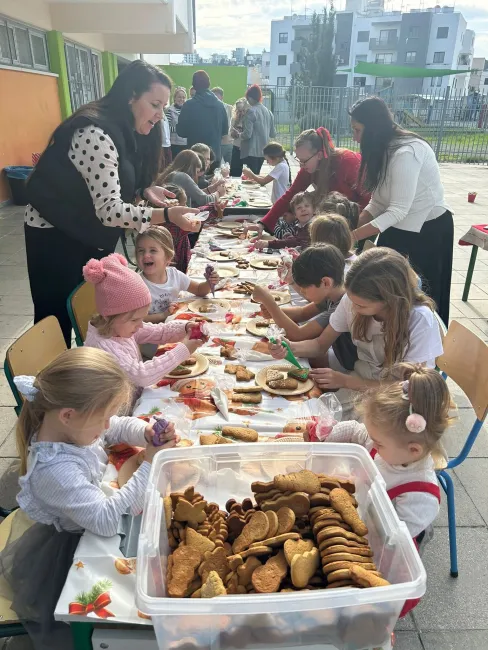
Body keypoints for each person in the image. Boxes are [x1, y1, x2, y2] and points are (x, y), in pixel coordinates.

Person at [0, 347, 177, 648]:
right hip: (67, 549)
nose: (108, 424)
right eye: (103, 417)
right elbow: (106, 521)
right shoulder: (55, 471)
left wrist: (145, 432)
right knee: (124, 606)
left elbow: (115, 428)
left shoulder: (71, 427)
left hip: (87, 521)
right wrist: (149, 462)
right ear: (68, 415)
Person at [23, 60, 199, 346]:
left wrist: (143, 190)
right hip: (53, 233)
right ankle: (55, 371)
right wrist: (167, 215)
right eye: (155, 104)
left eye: (163, 107)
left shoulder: (126, 131)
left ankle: (92, 359)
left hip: (83, 228)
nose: (160, 115)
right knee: (54, 316)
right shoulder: (95, 134)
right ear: (131, 96)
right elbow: (109, 210)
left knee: (92, 309)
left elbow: (112, 185)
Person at [269, 248, 444, 393]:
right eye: (352, 301)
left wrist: (346, 381)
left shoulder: (419, 320)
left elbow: (409, 388)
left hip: (394, 401)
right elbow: (320, 344)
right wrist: (290, 347)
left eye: (361, 305)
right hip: (359, 381)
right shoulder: (350, 300)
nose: (353, 308)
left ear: (389, 299)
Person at [348, 96, 453, 326]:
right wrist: (350, 230)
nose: (355, 137)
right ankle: (388, 334)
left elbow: (397, 210)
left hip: (428, 231)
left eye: (357, 130)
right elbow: (377, 203)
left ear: (373, 128)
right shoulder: (383, 150)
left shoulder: (407, 152)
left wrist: (353, 236)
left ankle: (422, 341)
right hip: (399, 225)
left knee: (418, 296)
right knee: (386, 289)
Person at [83, 253, 204, 388]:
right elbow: (141, 376)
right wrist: (183, 350)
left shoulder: (119, 327)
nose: (140, 325)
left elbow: (159, 331)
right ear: (108, 315)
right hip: (121, 401)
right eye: (135, 320)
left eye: (142, 318)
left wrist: (185, 328)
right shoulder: (104, 348)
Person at [252, 246, 357, 371]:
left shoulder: (342, 305)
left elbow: (299, 335)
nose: (301, 291)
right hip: (338, 355)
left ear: (325, 282)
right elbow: (302, 313)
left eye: (304, 288)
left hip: (348, 366)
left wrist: (270, 303)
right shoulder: (331, 293)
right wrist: (273, 310)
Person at [256, 128, 370, 238]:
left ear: (319, 155)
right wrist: (263, 224)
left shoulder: (348, 162)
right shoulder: (309, 167)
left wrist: (351, 231)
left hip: (361, 222)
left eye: (304, 161)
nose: (301, 165)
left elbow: (368, 201)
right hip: (335, 221)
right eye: (299, 160)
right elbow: (291, 194)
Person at [136, 226, 220, 323]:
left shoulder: (174, 275)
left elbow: (199, 290)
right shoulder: (136, 284)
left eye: (153, 250)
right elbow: (136, 319)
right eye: (141, 251)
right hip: (150, 331)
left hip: (174, 326)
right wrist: (163, 316)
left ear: (168, 257)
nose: (146, 255)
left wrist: (209, 283)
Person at [176, 70, 229, 161]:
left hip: (195, 157)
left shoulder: (189, 105)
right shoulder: (220, 105)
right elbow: (224, 132)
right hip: (214, 156)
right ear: (209, 84)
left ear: (194, 85)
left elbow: (181, 132)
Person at [145, 183, 191, 273]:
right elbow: (197, 219)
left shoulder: (155, 222)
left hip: (159, 269)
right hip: (174, 270)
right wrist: (214, 207)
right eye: (184, 204)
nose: (187, 207)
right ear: (174, 206)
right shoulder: (176, 226)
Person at [158, 150, 225, 208]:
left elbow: (196, 194)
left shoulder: (175, 174)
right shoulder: (182, 177)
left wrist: (214, 187)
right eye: (197, 172)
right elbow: (204, 200)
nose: (197, 175)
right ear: (191, 168)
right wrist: (219, 193)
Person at [240, 84, 276, 174]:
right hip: (263, 151)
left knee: (250, 177)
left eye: (248, 99)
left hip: (251, 151)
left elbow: (247, 134)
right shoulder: (269, 112)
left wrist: (238, 134)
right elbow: (273, 134)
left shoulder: (251, 111)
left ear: (250, 98)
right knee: (256, 175)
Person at [229, 97, 251, 177]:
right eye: (238, 110)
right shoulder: (234, 118)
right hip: (236, 147)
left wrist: (241, 132)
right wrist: (233, 133)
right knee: (234, 172)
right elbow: (230, 133)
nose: (240, 112)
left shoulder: (250, 118)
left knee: (247, 174)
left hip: (247, 149)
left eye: (242, 110)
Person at [211, 87, 233, 164]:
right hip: (216, 143)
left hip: (228, 142)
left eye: (217, 96)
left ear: (222, 97)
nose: (215, 99)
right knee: (216, 164)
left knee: (230, 165)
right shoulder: (210, 109)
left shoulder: (230, 108)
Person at [165, 87, 187, 159]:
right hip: (174, 144)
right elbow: (166, 128)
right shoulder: (170, 111)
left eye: (183, 97)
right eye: (179, 97)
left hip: (185, 144)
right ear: (174, 98)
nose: (181, 99)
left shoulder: (187, 111)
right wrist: (178, 129)